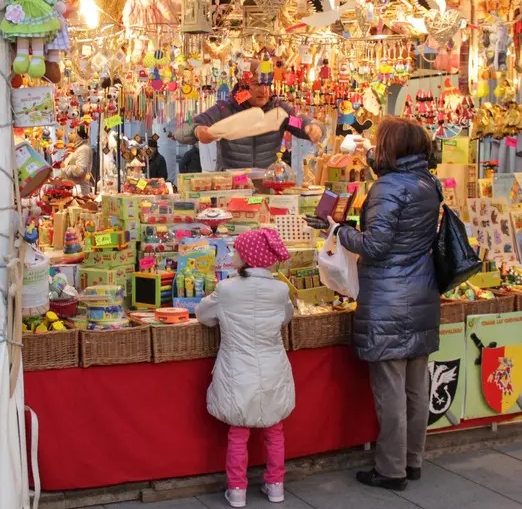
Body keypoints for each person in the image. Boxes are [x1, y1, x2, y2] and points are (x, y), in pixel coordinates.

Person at [332, 117, 441, 491]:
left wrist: (339, 231)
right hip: (422, 291)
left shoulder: (388, 187)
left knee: (391, 388)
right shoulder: (429, 183)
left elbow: (376, 246)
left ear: (392, 146)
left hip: (388, 299)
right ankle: (412, 461)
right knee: (416, 387)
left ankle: (391, 469)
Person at [196, 228, 295, 508]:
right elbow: (286, 317)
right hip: (273, 367)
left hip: (237, 369)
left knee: (237, 432)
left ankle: (237, 490)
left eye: (237, 250)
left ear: (249, 257)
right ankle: (276, 486)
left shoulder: (226, 290)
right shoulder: (280, 290)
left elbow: (203, 316)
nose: (233, 255)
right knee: (274, 430)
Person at [175, 60, 325, 170]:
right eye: (257, 84)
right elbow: (181, 131)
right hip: (233, 186)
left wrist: (310, 127)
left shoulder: (278, 109)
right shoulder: (224, 109)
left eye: (267, 85)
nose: (264, 91)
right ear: (243, 85)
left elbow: (297, 122)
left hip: (267, 184)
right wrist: (197, 131)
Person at [61, 124, 93, 195]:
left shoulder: (84, 149)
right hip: (74, 189)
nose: (70, 134)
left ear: (79, 136)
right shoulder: (77, 149)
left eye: (73, 132)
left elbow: (80, 171)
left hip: (80, 190)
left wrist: (66, 168)